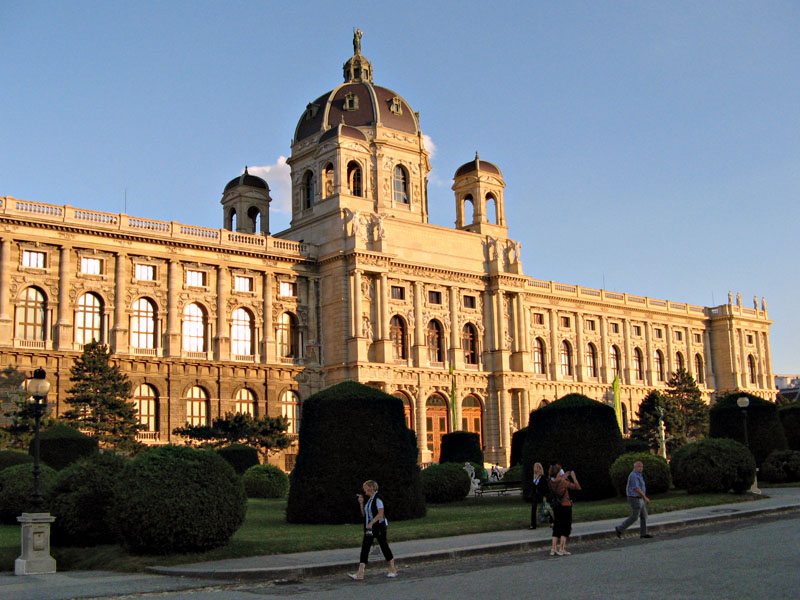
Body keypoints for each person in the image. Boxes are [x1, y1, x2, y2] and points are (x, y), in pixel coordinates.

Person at [349, 480, 398, 580]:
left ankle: (393, 569)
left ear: (371, 488)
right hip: (369, 528)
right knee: (365, 548)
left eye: (365, 487)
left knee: (384, 546)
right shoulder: (370, 500)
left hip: (379, 527)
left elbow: (381, 513)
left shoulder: (378, 499)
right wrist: (361, 504)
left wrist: (372, 522)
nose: (364, 490)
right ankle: (360, 572)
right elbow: (364, 514)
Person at [548, 464, 581, 556]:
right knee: (566, 526)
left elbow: (557, 482)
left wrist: (563, 477)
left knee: (557, 526)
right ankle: (562, 548)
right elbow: (576, 487)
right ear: (558, 473)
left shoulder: (551, 482)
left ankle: (553, 548)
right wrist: (573, 477)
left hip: (556, 506)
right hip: (565, 505)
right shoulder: (563, 482)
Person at [615, 460, 652, 539]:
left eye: (641, 466)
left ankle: (643, 533)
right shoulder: (633, 476)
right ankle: (620, 528)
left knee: (644, 515)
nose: (640, 468)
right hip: (634, 498)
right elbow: (637, 488)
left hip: (640, 498)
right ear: (635, 467)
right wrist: (645, 497)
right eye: (639, 466)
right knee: (635, 516)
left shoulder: (639, 475)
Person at [529, 462, 550, 529]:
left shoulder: (542, 477)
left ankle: (552, 521)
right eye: (536, 467)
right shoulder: (534, 477)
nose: (537, 469)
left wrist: (545, 496)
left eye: (539, 467)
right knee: (533, 508)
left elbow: (545, 487)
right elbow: (533, 486)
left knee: (546, 508)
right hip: (535, 495)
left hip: (541, 494)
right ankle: (533, 524)